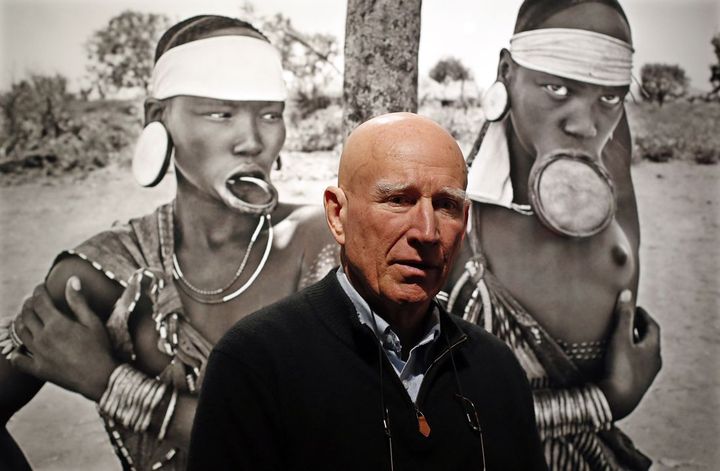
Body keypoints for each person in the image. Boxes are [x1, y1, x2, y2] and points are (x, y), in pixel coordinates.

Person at [0, 15, 337, 470]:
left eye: (270, 114)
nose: (253, 141)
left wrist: (108, 382)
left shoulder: (324, 243)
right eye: (221, 113)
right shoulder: (102, 276)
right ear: (157, 118)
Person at [188, 112, 548, 470]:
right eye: (398, 200)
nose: (426, 231)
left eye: (445, 205)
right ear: (337, 215)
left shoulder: (494, 368)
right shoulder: (257, 363)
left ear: (465, 222)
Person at [443, 1, 662, 469]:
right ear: (506, 70)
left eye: (608, 98)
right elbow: (433, 416)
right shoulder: (449, 227)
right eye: (557, 88)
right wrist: (607, 400)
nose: (585, 125)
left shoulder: (615, 220)